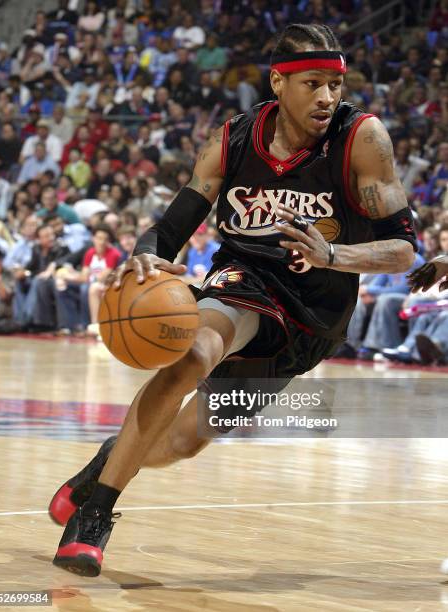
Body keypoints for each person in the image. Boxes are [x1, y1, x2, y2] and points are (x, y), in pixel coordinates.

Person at [49, 24, 417, 577]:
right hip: (243, 281)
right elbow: (169, 228)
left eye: (334, 86)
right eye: (313, 83)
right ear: (277, 82)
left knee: (182, 441)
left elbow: (403, 249)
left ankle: (105, 462)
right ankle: (95, 517)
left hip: (314, 314)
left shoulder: (361, 138)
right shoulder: (233, 139)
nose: (326, 97)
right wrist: (146, 254)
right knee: (192, 353)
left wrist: (335, 257)